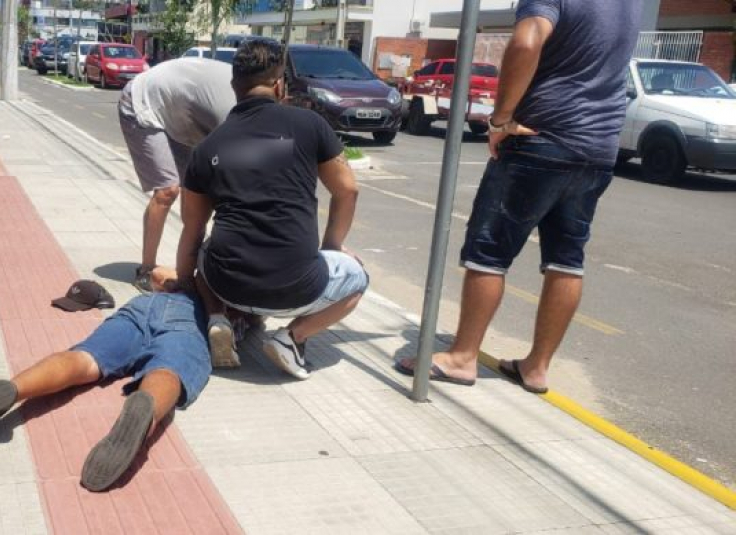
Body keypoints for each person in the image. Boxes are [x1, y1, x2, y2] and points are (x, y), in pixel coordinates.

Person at [396, 0, 642, 393]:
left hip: (541, 137)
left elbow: (526, 43)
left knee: (488, 252)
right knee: (567, 257)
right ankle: (537, 367)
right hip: (599, 145)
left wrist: (500, 119)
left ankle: (462, 357)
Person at [176, 40, 367, 379]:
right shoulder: (310, 126)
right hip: (299, 286)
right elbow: (347, 190)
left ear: (234, 87)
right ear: (280, 85)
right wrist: (333, 246)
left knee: (206, 250)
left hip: (229, 285)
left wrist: (186, 287)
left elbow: (191, 232)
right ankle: (292, 338)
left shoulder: (207, 148)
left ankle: (219, 317)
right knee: (357, 278)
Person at [0, 270, 212, 492]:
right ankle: (144, 410)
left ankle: (15, 388)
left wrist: (171, 281)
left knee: (85, 359)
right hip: (189, 322)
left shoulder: (203, 259)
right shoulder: (238, 288)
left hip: (143, 307)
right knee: (168, 369)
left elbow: (161, 274)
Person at [118, 58, 236, 293]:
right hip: (143, 103)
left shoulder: (248, 105)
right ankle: (145, 271)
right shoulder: (232, 113)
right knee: (167, 190)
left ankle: (188, 269)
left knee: (197, 195)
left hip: (181, 115)